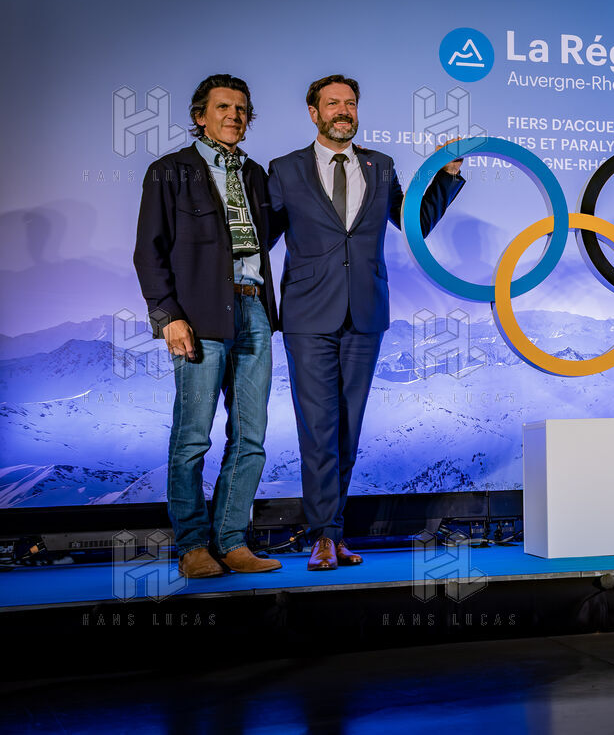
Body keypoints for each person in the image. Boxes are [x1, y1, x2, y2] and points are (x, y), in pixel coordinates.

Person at [269, 74, 464, 571]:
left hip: (366, 312)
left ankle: (333, 533)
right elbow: (259, 238)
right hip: (308, 315)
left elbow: (414, 223)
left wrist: (446, 175)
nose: (344, 111)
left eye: (351, 103)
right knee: (318, 427)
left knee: (347, 429)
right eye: (333, 103)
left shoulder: (382, 166)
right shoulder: (285, 169)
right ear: (314, 112)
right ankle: (322, 535)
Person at [133, 74, 283, 577]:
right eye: (223, 107)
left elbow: (266, 236)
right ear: (200, 116)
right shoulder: (168, 171)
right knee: (193, 436)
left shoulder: (256, 174)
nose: (234, 116)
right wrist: (168, 316)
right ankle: (193, 546)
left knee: (251, 436)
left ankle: (232, 542)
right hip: (198, 315)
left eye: (241, 109)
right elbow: (148, 252)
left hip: (254, 309)